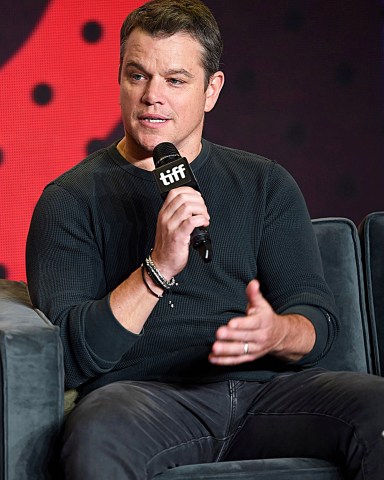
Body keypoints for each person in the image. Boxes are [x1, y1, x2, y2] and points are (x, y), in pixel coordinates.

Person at [26, 0, 384, 478]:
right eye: (137, 76)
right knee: (97, 432)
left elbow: (316, 321)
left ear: (211, 90)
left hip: (268, 395)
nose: (153, 96)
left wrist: (275, 331)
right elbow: (68, 358)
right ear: (119, 81)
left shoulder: (264, 182)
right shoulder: (69, 198)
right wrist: (156, 270)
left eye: (175, 80)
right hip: (144, 400)